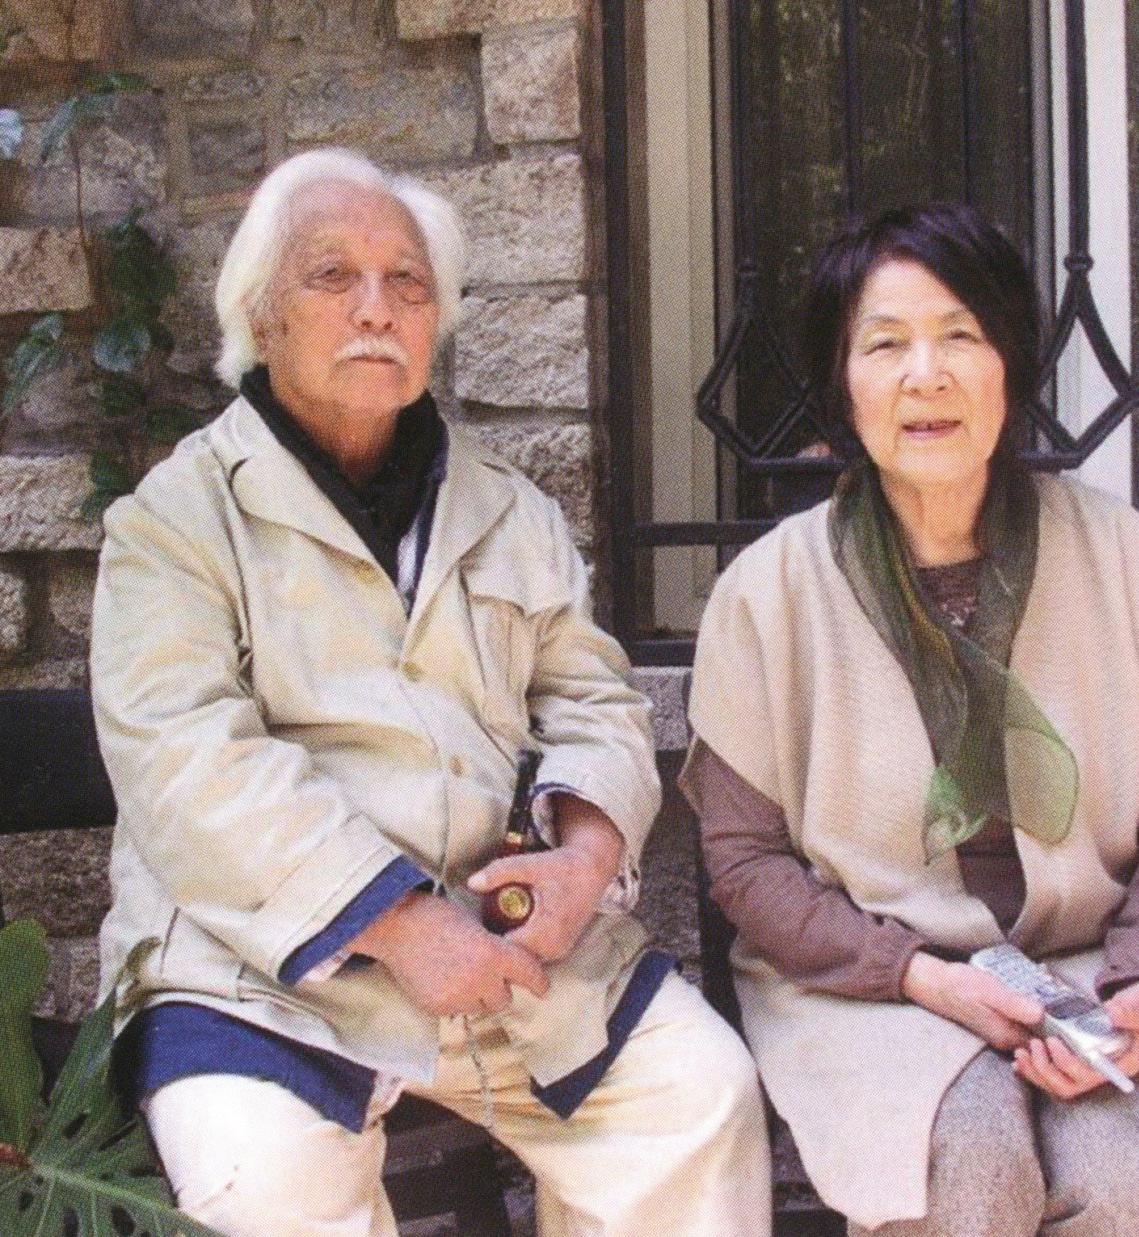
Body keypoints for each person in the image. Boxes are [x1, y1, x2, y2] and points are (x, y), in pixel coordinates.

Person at [91, 147, 770, 1237]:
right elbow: (185, 761)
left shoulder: (509, 509)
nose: (378, 308)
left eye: (406, 282)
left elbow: (594, 700)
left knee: (698, 1101)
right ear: (259, 315)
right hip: (264, 975)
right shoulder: (174, 521)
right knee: (265, 1181)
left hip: (513, 955)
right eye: (333, 276)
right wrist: (402, 928)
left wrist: (584, 862)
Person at [681, 202, 1139, 1236]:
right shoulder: (766, 592)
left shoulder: (1117, 553)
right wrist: (922, 978)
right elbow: (744, 863)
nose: (926, 374)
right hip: (869, 985)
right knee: (966, 1166)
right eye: (884, 344)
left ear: (1010, 363)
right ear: (842, 384)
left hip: (1092, 964)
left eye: (960, 335)